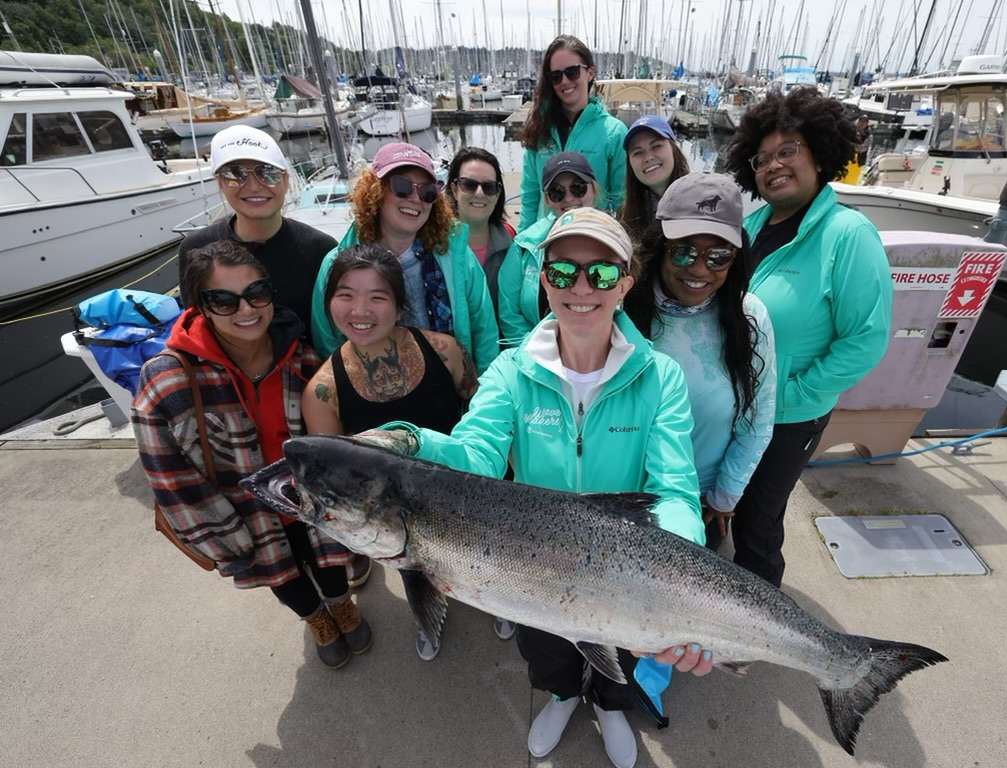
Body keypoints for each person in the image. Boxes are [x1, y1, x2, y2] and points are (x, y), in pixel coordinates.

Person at [372, 208, 713, 768]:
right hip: (532, 563)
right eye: (563, 271)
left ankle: (607, 706)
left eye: (601, 273)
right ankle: (561, 696)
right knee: (547, 650)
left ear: (625, 285)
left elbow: (674, 489)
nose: (582, 287)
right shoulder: (511, 371)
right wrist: (411, 443)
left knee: (622, 660)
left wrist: (680, 581)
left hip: (629, 563)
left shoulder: (661, 377)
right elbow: (474, 456)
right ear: (544, 279)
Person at [132, 241, 372, 669]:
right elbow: (170, 480)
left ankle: (341, 604)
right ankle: (316, 617)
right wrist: (227, 538)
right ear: (199, 305)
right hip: (241, 513)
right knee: (283, 576)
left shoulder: (303, 354)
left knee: (330, 563)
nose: (246, 309)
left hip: (310, 501)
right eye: (223, 299)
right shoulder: (166, 380)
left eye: (256, 292)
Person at [723, 86, 893, 588]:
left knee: (757, 524)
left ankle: (756, 629)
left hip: (789, 418)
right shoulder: (748, 224)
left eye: (788, 150)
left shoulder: (848, 234)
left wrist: (791, 396)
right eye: (762, 158)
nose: (774, 165)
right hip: (730, 404)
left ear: (820, 153)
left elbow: (866, 339)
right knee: (716, 506)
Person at [301, 243, 487, 661]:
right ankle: (428, 620)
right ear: (329, 301)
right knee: (415, 574)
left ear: (400, 304)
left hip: (467, 493)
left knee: (484, 563)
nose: (360, 310)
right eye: (346, 295)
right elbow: (338, 481)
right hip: (396, 517)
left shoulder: (445, 351)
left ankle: (498, 605)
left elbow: (480, 416)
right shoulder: (323, 392)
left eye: (377, 297)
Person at [624, 173, 777, 550]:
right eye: (684, 251)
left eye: (719, 256)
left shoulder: (751, 317)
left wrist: (724, 496)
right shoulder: (622, 308)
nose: (699, 269)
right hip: (624, 501)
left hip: (701, 503)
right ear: (661, 247)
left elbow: (758, 420)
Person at [309, 143, 499, 377]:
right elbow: (327, 342)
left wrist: (482, 397)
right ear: (375, 191)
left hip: (449, 396)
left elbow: (484, 332)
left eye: (427, 191)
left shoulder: (456, 255)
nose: (415, 199)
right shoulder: (337, 263)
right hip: (372, 398)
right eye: (402, 187)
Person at [177, 125, 335, 343]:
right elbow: (196, 327)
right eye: (235, 174)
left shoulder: (320, 249)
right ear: (220, 183)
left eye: (267, 173)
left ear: (286, 181)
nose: (253, 187)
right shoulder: (196, 248)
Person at [518, 34, 627, 228]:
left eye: (572, 72)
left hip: (591, 241)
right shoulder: (538, 128)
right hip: (544, 243)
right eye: (556, 76)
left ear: (590, 73)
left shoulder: (614, 133)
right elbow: (530, 197)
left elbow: (621, 199)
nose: (565, 81)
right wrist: (522, 247)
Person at [497, 152, 600, 346]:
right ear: (546, 199)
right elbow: (509, 313)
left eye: (578, 188)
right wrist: (538, 352)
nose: (568, 198)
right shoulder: (523, 246)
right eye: (557, 192)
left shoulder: (616, 241)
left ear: (593, 189)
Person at [444, 146, 516, 316]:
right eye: (468, 185)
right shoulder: (435, 241)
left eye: (489, 187)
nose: (479, 193)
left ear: (498, 194)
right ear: (454, 189)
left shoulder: (511, 239)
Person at [617, 115, 690, 237]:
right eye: (638, 152)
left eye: (656, 146)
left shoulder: (700, 202)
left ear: (673, 148)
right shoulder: (625, 216)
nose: (649, 157)